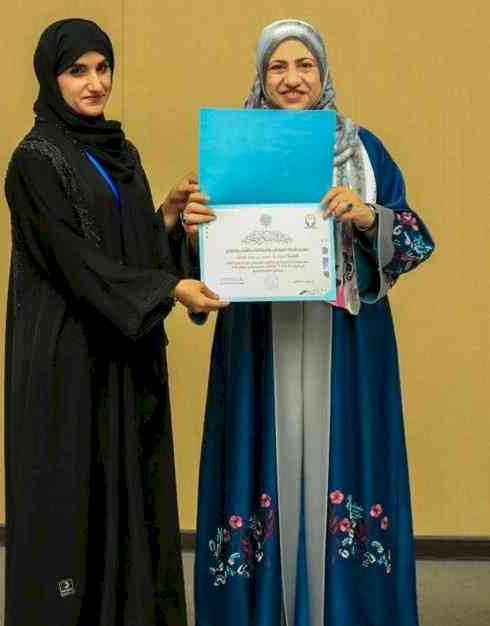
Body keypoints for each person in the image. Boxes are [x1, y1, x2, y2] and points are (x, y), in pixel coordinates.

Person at [185, 19, 435, 626]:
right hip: (256, 341)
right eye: (278, 66)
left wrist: (369, 216)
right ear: (261, 76)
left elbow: (414, 238)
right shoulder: (231, 150)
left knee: (341, 464)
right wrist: (193, 232)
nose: (292, 78)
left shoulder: (363, 150)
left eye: (304, 65)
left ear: (323, 73)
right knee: (259, 461)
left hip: (345, 343)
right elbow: (203, 260)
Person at [4, 18, 227, 626]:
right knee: (76, 496)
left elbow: (126, 251)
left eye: (103, 68)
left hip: (125, 351)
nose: (95, 83)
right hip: (68, 354)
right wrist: (170, 288)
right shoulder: (34, 161)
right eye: (78, 71)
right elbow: (74, 261)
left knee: (131, 491)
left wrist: (168, 219)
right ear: (51, 78)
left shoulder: (120, 152)